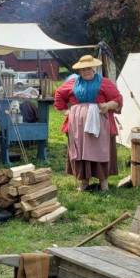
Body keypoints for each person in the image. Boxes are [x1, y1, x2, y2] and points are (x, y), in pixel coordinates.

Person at [54, 55, 123, 191]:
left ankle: (104, 184)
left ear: (93, 68)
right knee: (81, 151)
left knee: (100, 151)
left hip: (100, 124)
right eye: (83, 69)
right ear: (79, 71)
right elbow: (59, 94)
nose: (86, 71)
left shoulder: (104, 82)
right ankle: (84, 183)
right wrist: (65, 111)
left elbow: (118, 99)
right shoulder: (73, 83)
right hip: (78, 126)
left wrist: (107, 105)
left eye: (88, 68)